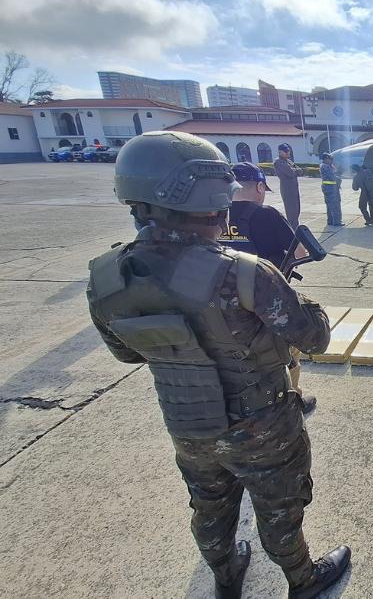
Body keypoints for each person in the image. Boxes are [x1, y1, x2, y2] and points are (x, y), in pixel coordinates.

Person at [86, 131, 350, 599]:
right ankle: (302, 581)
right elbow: (315, 337)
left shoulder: (109, 276)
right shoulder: (244, 271)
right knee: (279, 508)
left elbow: (126, 352)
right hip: (263, 425)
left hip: (188, 424)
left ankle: (227, 580)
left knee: (209, 506)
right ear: (214, 197)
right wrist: (296, 295)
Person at [219, 161, 317, 415]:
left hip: (217, 300)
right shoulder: (266, 215)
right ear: (260, 187)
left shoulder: (214, 215)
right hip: (264, 299)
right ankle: (292, 401)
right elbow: (300, 251)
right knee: (289, 348)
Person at [273, 143, 302, 230]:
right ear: (280, 152)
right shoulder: (278, 161)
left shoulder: (288, 161)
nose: (288, 153)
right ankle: (293, 232)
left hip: (294, 189)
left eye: (288, 151)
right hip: (287, 189)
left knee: (297, 210)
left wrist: (296, 170)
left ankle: (295, 229)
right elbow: (291, 172)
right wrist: (296, 170)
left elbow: (300, 171)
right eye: (285, 151)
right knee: (291, 213)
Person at [319, 153, 343, 227]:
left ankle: (330, 220)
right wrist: (339, 179)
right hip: (331, 188)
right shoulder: (325, 167)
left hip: (330, 188)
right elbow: (332, 177)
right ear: (326, 159)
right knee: (334, 205)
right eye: (330, 159)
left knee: (330, 205)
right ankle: (337, 221)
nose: (331, 161)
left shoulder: (327, 166)